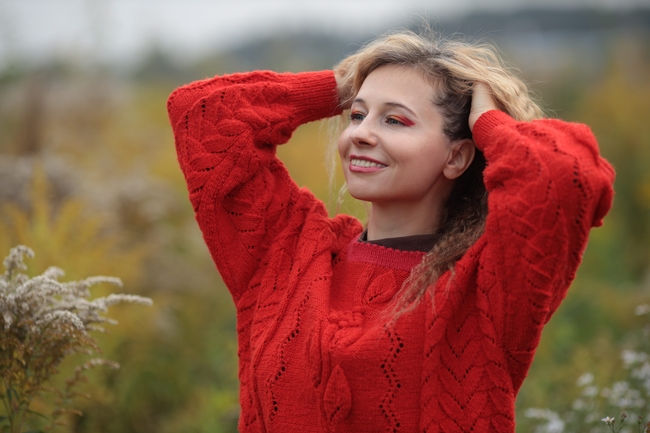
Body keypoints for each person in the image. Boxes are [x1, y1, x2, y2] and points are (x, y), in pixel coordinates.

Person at [167, 30, 615, 433]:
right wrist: (342, 85)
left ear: (457, 157)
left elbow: (564, 175)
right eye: (357, 116)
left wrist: (489, 124)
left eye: (394, 120)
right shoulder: (288, 253)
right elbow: (201, 115)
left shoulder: (484, 286)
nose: (359, 134)